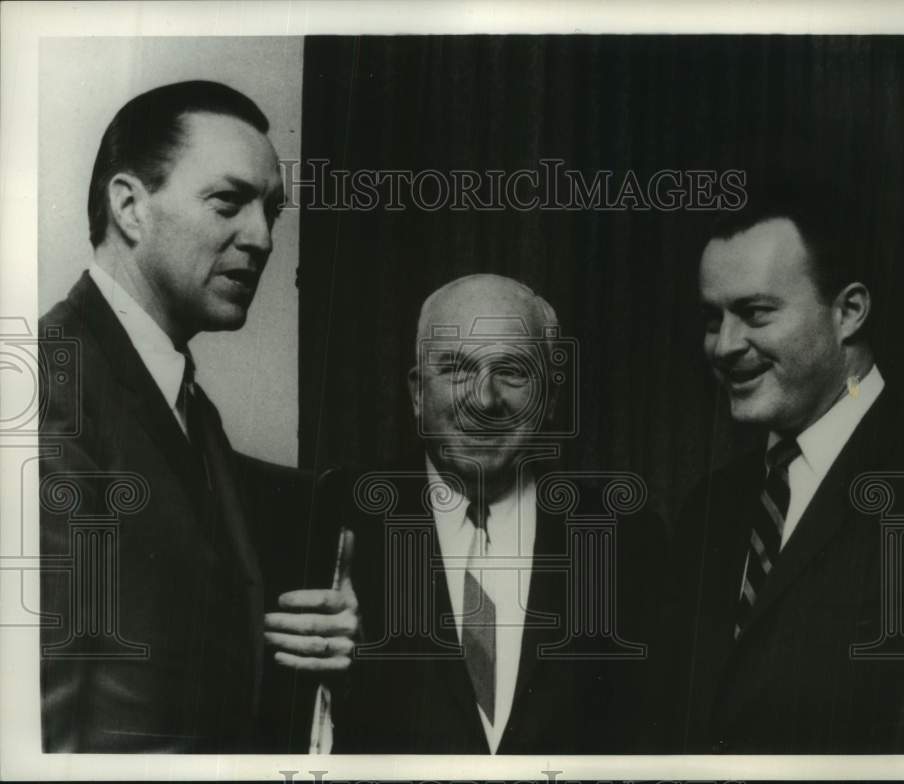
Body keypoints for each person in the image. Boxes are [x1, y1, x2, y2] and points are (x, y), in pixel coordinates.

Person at [38, 80, 356, 752]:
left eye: (272, 211)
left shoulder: (188, 406)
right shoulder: (50, 385)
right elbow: (42, 715)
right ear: (129, 205)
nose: (263, 237)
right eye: (228, 202)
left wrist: (312, 626)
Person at [261, 273, 668, 753]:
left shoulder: (625, 536)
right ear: (417, 394)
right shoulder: (334, 519)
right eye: (456, 369)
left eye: (513, 371)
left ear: (552, 397)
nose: (484, 398)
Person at [673, 188, 904, 753]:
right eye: (712, 318)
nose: (725, 346)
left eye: (754, 313)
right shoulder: (711, 507)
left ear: (848, 312)